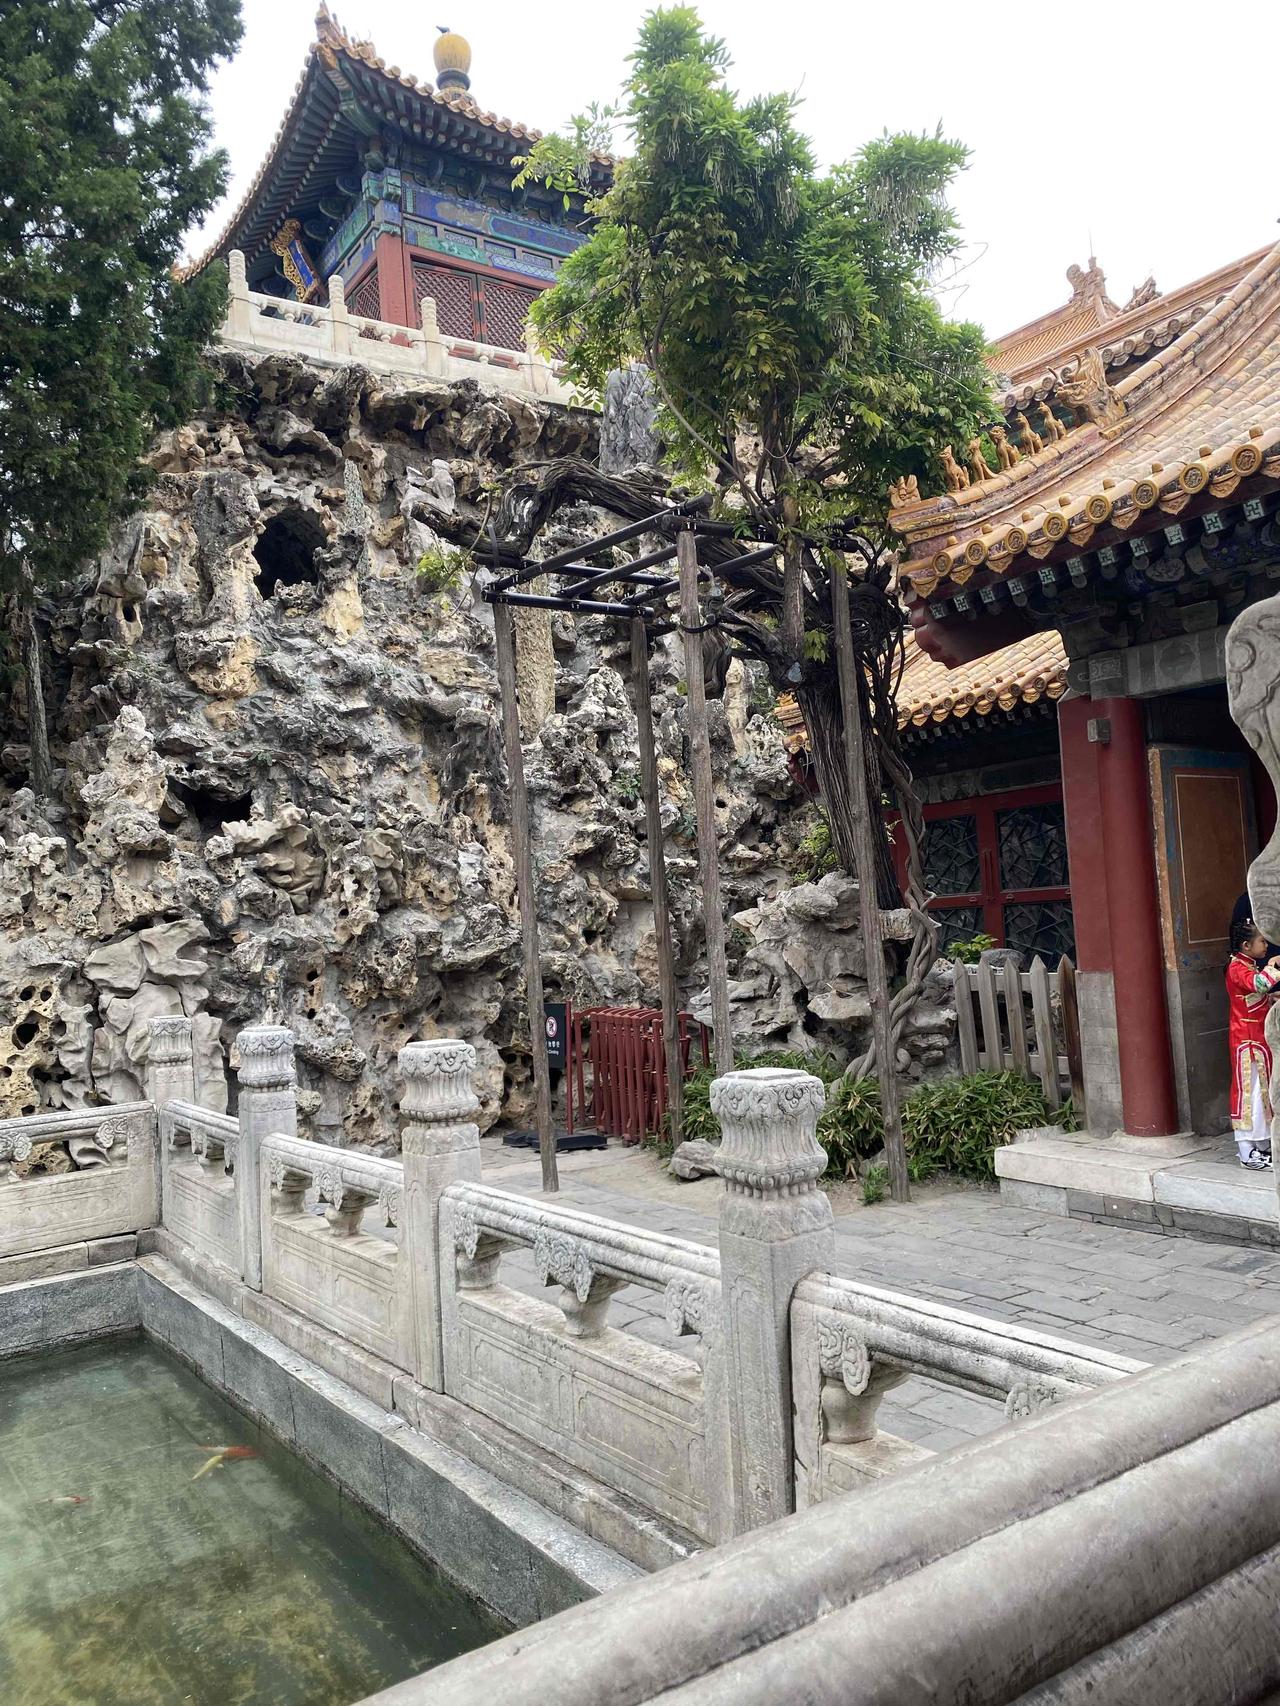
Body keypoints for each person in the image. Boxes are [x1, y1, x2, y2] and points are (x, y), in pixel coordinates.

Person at [1226, 919, 1280, 1168]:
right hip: (1246, 1040)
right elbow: (1259, 984)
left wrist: (1271, 997)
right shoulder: (1237, 968)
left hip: (1255, 1038)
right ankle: (1247, 1151)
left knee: (1261, 1092)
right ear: (1246, 946)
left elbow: (1254, 995)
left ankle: (1262, 1144)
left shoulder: (1246, 965)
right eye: (1262, 941)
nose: (1265, 945)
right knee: (1249, 1094)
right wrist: (1273, 965)